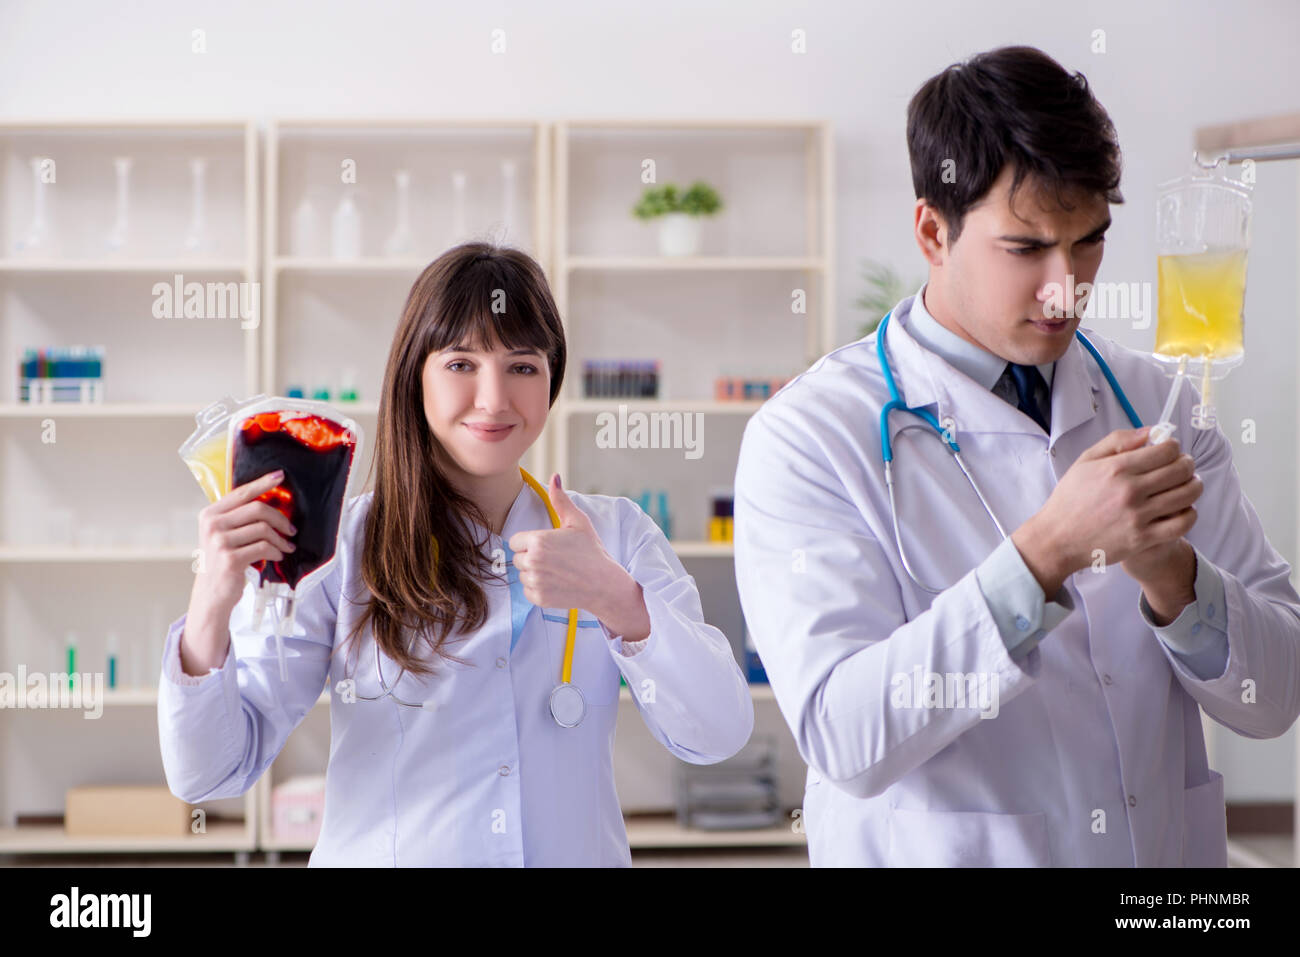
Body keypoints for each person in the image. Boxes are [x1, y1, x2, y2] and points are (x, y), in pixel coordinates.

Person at [733, 45, 1300, 867]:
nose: (1065, 285)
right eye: (1027, 248)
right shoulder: (810, 433)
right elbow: (845, 738)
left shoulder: (1163, 404)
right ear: (933, 230)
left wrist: (1174, 577)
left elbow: (1275, 695)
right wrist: (1047, 552)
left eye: (1089, 241)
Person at [159, 242, 753, 866]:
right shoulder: (341, 543)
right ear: (415, 375)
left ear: (552, 378)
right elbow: (210, 775)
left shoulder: (617, 533)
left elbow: (716, 734)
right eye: (462, 363)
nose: (494, 399)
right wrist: (211, 605)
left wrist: (616, 600)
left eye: (522, 366)